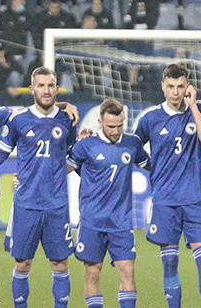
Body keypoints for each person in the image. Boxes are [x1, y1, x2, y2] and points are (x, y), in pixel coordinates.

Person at [134, 63, 201, 308]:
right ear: (163, 86)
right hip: (164, 201)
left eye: (180, 86)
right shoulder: (150, 118)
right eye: (170, 86)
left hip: (194, 200)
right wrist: (152, 167)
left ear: (188, 86)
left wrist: (192, 106)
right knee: (170, 263)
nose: (175, 92)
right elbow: (133, 150)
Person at [0, 68, 76, 308]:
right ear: (32, 89)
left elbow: (73, 159)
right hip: (26, 204)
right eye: (41, 86)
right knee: (22, 263)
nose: (46, 90)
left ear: (56, 88)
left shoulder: (67, 119)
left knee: (60, 264)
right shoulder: (18, 120)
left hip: (56, 204)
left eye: (51, 85)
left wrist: (47, 173)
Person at [69, 98, 148, 308]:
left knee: (128, 274)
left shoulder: (132, 143)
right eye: (111, 126)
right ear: (100, 122)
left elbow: (151, 165)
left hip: (120, 222)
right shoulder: (86, 145)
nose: (116, 130)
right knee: (92, 274)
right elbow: (62, 169)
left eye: (120, 125)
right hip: (91, 221)